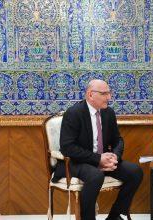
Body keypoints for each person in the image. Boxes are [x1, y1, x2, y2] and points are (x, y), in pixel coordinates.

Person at [53, 79, 143, 220]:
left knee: (135, 172)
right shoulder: (74, 113)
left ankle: (115, 216)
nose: (109, 97)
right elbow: (67, 148)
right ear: (90, 94)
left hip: (103, 160)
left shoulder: (108, 113)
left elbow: (118, 140)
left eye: (109, 93)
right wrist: (97, 159)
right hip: (77, 162)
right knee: (95, 176)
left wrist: (115, 156)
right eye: (104, 93)